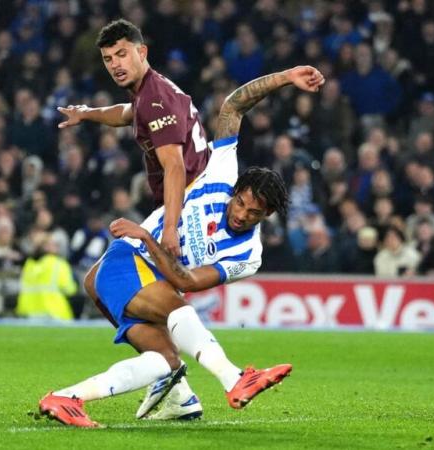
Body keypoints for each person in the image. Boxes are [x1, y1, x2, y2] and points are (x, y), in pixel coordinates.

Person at [38, 65, 326, 427]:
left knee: (164, 362)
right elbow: (233, 106)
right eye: (241, 203)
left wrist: (147, 238)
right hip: (128, 260)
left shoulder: (248, 257)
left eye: (254, 214)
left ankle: (68, 398)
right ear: (236, 191)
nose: (241, 215)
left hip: (151, 279)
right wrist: (285, 78)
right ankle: (234, 378)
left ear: (266, 216)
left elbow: (189, 282)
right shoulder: (221, 172)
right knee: (177, 310)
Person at [57, 19, 209, 258]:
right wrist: (86, 113)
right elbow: (126, 114)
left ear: (141, 52)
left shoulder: (154, 99)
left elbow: (175, 165)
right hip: (183, 205)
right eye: (108, 59)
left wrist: (170, 228)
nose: (115, 64)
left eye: (121, 54)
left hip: (186, 210)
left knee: (110, 278)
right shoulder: (148, 91)